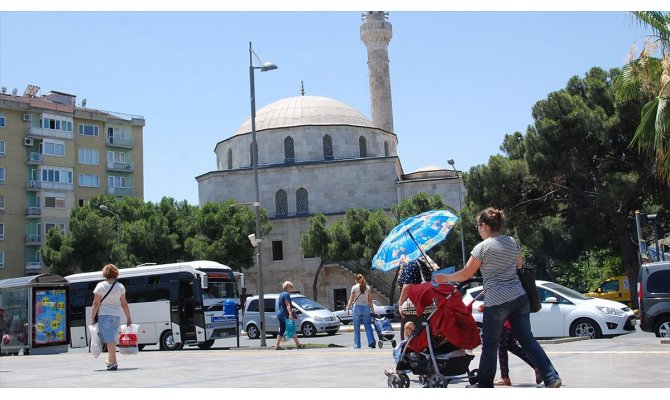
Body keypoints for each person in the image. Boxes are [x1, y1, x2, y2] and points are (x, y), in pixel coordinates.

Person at [434, 207, 562, 388]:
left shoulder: (482, 248)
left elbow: (466, 274)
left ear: (485, 226)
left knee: (490, 345)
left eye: (478, 226)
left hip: (497, 302)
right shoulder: (512, 241)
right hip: (519, 297)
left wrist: (445, 278)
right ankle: (551, 377)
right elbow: (519, 266)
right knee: (527, 340)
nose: (478, 229)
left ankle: (485, 385)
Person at [478, 305, 542, 386]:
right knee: (511, 345)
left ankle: (505, 378)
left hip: (504, 319)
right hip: (511, 319)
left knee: (502, 348)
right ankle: (536, 366)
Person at [90, 263, 132, 371]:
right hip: (116, 315)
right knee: (111, 338)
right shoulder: (120, 286)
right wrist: (129, 317)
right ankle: (110, 361)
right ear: (116, 274)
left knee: (110, 339)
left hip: (104, 315)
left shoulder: (100, 286)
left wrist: (92, 317)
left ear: (105, 274)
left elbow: (96, 303)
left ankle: (113, 362)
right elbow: (124, 303)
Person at [396, 257, 436, 339]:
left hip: (413, 308)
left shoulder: (411, 263)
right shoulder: (424, 262)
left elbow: (408, 286)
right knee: (425, 337)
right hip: (426, 305)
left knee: (409, 339)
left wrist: (400, 303)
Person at [273, 281, 306, 350]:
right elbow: (288, 305)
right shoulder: (286, 294)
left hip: (280, 314)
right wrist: (290, 314)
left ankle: (277, 345)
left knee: (282, 330)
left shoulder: (281, 294)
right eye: (291, 287)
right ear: (287, 287)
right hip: (285, 314)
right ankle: (298, 345)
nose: (292, 288)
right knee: (291, 328)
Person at [346, 274, 376, 349]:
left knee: (356, 327)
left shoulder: (354, 287)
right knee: (368, 325)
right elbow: (370, 300)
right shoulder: (368, 287)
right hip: (366, 308)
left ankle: (357, 345)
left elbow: (351, 299)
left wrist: (347, 308)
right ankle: (371, 341)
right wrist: (372, 310)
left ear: (356, 280)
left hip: (357, 308)